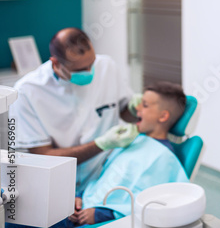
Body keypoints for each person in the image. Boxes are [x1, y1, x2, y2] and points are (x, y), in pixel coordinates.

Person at [10, 27, 139, 194]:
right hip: (61, 184)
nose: (89, 73)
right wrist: (101, 144)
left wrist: (134, 108)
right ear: (55, 63)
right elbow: (43, 156)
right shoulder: (27, 91)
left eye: (91, 64)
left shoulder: (106, 66)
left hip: (106, 176)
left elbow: (124, 111)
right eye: (79, 70)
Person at [66, 81, 189, 225]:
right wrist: (80, 198)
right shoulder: (131, 141)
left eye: (145, 105)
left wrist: (102, 214)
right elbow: (105, 179)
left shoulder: (162, 158)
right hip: (82, 208)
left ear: (163, 117)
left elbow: (150, 204)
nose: (137, 108)